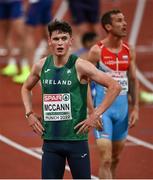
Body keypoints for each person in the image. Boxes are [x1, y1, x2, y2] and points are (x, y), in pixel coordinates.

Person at [21, 20, 121, 179]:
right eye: (56, 39)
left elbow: (115, 86)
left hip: (76, 141)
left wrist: (95, 114)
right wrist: (29, 114)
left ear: (70, 41)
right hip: (51, 141)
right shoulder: (41, 66)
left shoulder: (81, 66)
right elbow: (25, 88)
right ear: (49, 41)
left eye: (64, 38)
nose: (60, 43)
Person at [87, 9, 139, 179]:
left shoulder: (128, 50)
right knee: (106, 159)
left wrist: (136, 108)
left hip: (122, 112)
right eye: (119, 21)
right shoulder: (97, 51)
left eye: (124, 20)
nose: (125, 24)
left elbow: (133, 80)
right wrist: (92, 110)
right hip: (103, 112)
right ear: (108, 26)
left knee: (115, 158)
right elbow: (83, 81)